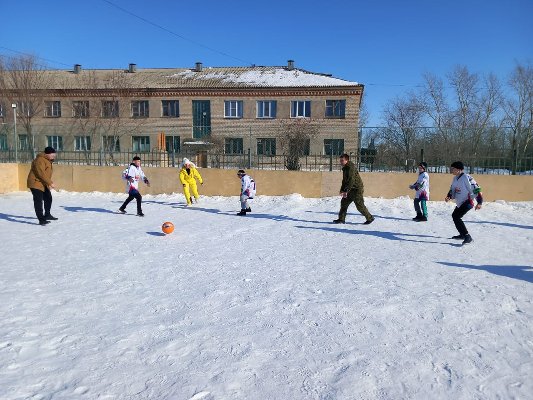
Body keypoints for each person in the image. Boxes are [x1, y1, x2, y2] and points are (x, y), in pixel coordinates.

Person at [445, 161, 483, 245]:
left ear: (459, 169)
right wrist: (449, 196)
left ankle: (467, 236)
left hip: (467, 202)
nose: (452, 170)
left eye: (453, 168)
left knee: (457, 217)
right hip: (460, 203)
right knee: (455, 216)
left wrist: (479, 202)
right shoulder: (455, 178)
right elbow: (452, 189)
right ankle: (462, 235)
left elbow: (477, 189)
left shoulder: (467, 177)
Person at [334, 153, 374, 224]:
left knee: (360, 206)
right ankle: (341, 219)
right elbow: (344, 180)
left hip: (356, 189)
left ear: (346, 160)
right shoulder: (345, 168)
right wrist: (342, 190)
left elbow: (351, 180)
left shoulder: (350, 167)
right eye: (340, 160)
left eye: (342, 160)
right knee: (344, 203)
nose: (340, 162)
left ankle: (370, 218)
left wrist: (346, 191)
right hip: (350, 189)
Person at [27, 146, 58, 225]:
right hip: (35, 183)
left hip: (42, 183)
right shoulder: (40, 160)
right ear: (47, 154)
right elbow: (41, 173)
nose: (54, 155)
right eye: (52, 154)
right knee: (38, 201)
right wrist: (50, 183)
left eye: (54, 154)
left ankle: (47, 215)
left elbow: (45, 174)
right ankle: (41, 219)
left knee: (48, 198)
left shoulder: (47, 160)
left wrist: (48, 183)